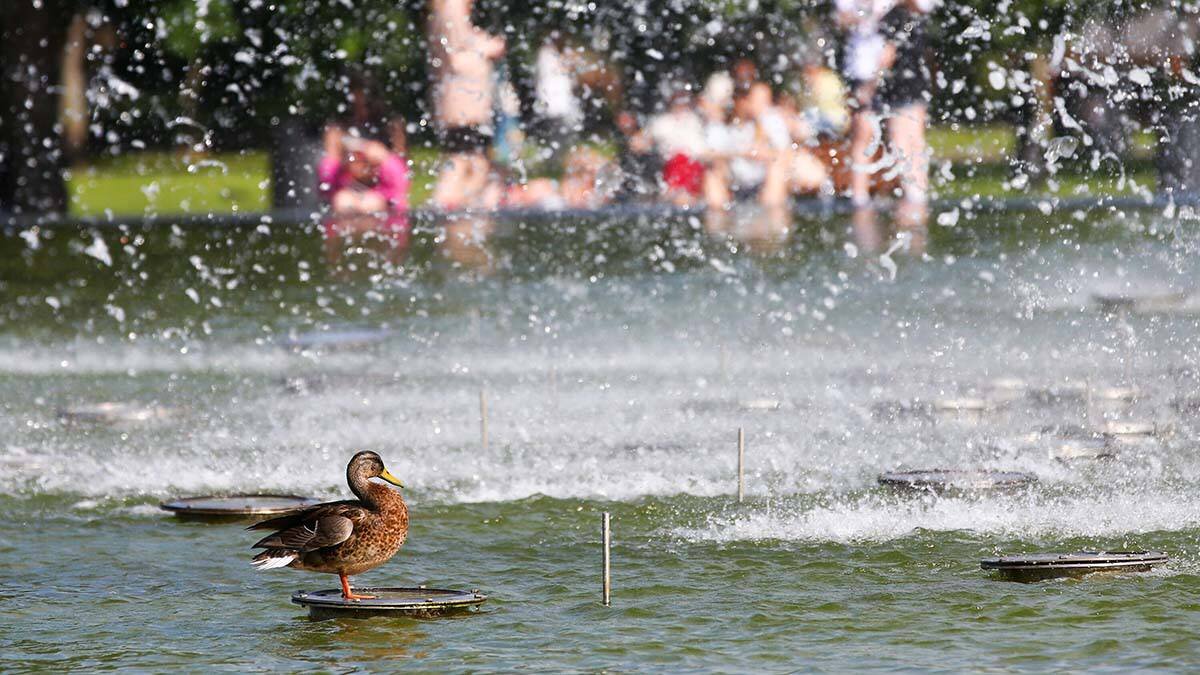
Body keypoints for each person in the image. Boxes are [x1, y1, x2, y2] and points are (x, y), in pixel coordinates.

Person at [838, 0, 934, 231]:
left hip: (897, 83)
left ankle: (913, 197)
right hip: (900, 80)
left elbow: (887, 54)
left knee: (903, 139)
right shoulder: (901, 17)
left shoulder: (895, 16)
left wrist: (871, 86)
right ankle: (916, 196)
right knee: (908, 139)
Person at [427, 0, 505, 210]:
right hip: (465, 105)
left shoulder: (445, 7)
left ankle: (460, 218)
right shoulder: (453, 5)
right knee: (467, 162)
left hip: (461, 104)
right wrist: (486, 47)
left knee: (473, 163)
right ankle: (452, 217)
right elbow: (456, 56)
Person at [647, 90, 708, 205]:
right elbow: (646, 138)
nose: (680, 108)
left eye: (683, 104)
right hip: (673, 166)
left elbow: (700, 151)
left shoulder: (693, 121)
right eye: (678, 104)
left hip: (692, 166)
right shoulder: (663, 122)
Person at [534, 31, 583, 173]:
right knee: (556, 136)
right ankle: (555, 166)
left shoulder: (556, 54)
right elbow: (553, 72)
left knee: (565, 135)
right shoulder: (547, 54)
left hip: (562, 104)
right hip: (553, 103)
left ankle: (561, 165)